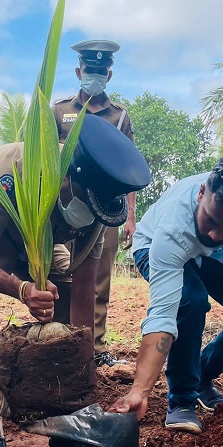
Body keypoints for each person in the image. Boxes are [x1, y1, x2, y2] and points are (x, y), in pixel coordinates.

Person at [0, 114, 150, 447]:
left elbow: (84, 288)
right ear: (69, 175)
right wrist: (22, 290)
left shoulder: (99, 202)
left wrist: (78, 370)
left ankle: (69, 432)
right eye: (84, 200)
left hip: (41, 241)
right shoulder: (14, 172)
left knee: (67, 298)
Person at [110, 151, 223, 435]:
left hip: (213, 256)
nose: (216, 234)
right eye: (210, 220)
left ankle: (202, 376)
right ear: (201, 193)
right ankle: (182, 399)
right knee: (191, 301)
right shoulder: (173, 230)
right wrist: (140, 390)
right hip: (153, 245)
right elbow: (162, 315)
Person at [52, 40, 136, 367]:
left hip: (106, 209)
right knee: (59, 270)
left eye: (101, 71)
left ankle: (94, 346)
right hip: (64, 208)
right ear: (79, 71)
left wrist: (130, 216)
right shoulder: (60, 111)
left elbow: (130, 169)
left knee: (100, 277)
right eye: (90, 70)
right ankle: (61, 336)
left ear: (109, 75)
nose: (95, 75)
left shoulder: (120, 116)